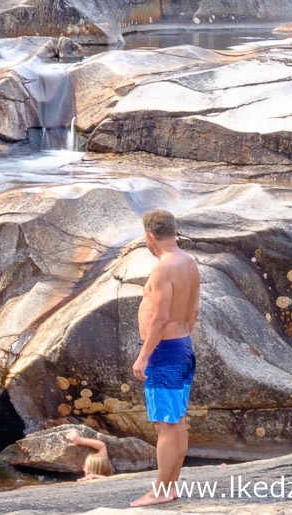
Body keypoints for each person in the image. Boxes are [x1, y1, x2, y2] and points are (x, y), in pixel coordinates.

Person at [130, 210, 200, 508]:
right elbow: (193, 311)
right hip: (182, 346)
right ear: (174, 231)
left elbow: (159, 318)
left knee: (165, 425)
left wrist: (144, 356)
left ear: (149, 236)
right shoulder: (189, 262)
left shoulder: (163, 268)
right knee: (176, 422)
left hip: (164, 352)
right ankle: (169, 487)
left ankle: (161, 490)